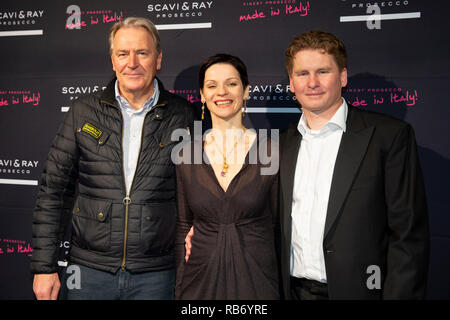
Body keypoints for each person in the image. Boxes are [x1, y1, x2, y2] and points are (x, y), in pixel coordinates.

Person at [31, 17, 195, 300]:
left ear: (158, 59)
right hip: (88, 271)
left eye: (142, 53)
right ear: (112, 60)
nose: (132, 62)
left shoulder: (184, 116)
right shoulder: (83, 112)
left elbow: (198, 193)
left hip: (156, 275)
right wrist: (44, 267)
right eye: (123, 53)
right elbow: (53, 191)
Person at [278, 30, 429, 299]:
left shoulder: (388, 136)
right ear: (291, 82)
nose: (312, 82)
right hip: (293, 292)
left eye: (323, 71)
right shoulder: (281, 144)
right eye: (302, 74)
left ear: (343, 77)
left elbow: (408, 237)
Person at [174, 53, 281, 299]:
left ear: (246, 92)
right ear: (202, 95)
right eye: (212, 86)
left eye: (231, 83)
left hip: (256, 280)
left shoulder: (270, 151)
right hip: (198, 281)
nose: (221, 92)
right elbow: (183, 225)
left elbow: (278, 226)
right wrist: (180, 287)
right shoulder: (185, 154)